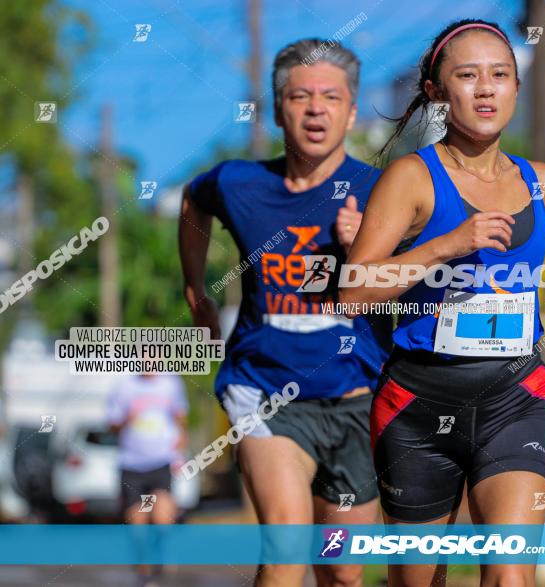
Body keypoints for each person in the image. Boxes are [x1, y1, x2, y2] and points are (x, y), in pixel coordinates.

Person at [340, 19, 545, 587]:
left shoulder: (543, 182)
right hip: (417, 408)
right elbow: (354, 288)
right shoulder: (411, 178)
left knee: (510, 577)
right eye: (468, 75)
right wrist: (448, 244)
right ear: (436, 92)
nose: (486, 89)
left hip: (516, 397)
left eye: (500, 75)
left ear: (516, 89)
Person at [178, 39, 391, 587]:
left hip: (357, 400)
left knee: (343, 571)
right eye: (301, 96)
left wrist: (371, 252)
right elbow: (193, 200)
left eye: (331, 96)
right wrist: (195, 289)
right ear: (278, 110)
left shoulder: (385, 192)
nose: (316, 108)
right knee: (288, 551)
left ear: (351, 109)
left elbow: (421, 290)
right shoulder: (239, 183)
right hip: (264, 392)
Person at [107, 372, 188, 587]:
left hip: (161, 461)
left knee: (162, 516)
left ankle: (161, 549)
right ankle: (144, 577)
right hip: (131, 464)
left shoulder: (171, 383)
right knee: (138, 524)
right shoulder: (124, 386)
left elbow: (179, 417)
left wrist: (180, 445)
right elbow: (111, 424)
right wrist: (125, 421)